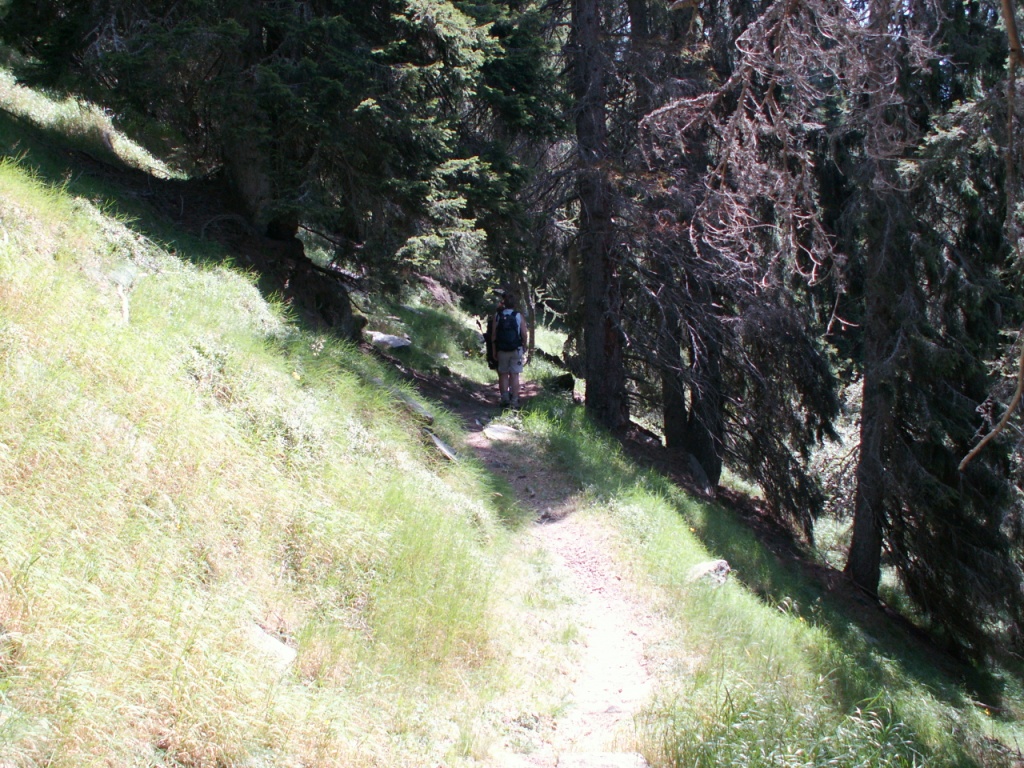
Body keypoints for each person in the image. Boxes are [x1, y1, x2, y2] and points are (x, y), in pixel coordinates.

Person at [490, 291, 528, 409]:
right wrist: (524, 345)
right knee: (515, 375)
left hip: (501, 349)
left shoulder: (498, 316)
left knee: (503, 374)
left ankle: (505, 399)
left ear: (504, 303)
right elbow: (524, 333)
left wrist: (494, 350)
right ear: (514, 304)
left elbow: (493, 335)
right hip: (516, 349)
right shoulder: (518, 316)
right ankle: (514, 400)